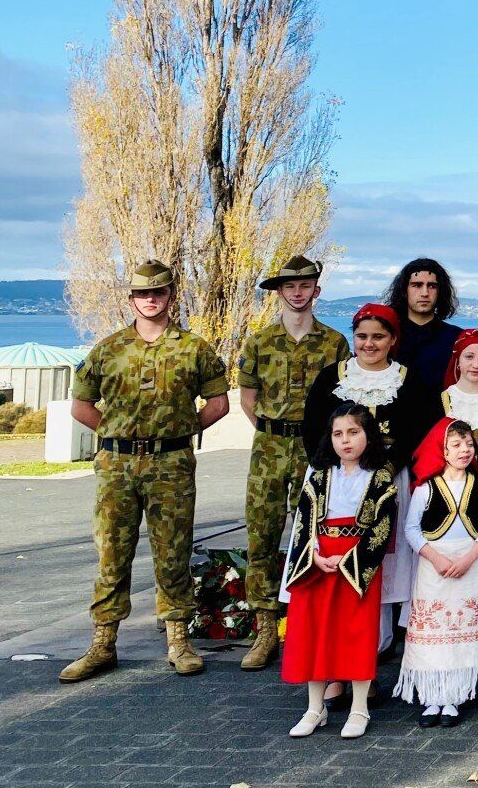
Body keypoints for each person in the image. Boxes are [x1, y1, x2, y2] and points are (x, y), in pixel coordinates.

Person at [60, 259, 230, 683]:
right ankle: (103, 643)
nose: (150, 299)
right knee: (111, 554)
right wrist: (118, 435)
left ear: (171, 296)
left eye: (158, 292)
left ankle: (179, 640)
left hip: (171, 464)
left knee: (173, 552)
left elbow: (218, 404)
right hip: (116, 466)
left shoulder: (194, 348)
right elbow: (81, 405)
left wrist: (177, 433)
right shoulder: (109, 349)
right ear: (131, 299)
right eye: (142, 293)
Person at [304, 303, 442, 647]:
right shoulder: (332, 378)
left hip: (388, 479)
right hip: (337, 480)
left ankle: (374, 643)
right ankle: (335, 643)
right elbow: (313, 429)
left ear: (393, 339)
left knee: (380, 556)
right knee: (335, 553)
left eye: (378, 336)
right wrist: (333, 470)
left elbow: (419, 433)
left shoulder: (410, 381)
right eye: (362, 336)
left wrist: (386, 471)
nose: (369, 343)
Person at [238, 254, 347, 671]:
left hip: (315, 448)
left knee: (317, 534)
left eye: (305, 286)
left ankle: (310, 625)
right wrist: (273, 430)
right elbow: (248, 399)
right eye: (289, 286)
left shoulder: (334, 343)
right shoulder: (259, 342)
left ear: (316, 290)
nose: (297, 293)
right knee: (262, 535)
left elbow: (342, 400)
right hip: (269, 447)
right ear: (279, 292)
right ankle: (266, 629)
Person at [280, 405, 397, 740]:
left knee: (356, 633)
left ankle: (359, 707)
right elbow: (303, 523)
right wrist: (314, 556)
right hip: (318, 563)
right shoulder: (318, 477)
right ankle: (314, 708)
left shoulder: (380, 479)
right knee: (314, 633)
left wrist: (350, 559)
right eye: (338, 434)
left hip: (356, 564)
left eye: (353, 432)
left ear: (368, 436)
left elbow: (381, 528)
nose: (345, 440)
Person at [396, 418, 478, 727]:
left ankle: (454, 695)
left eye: (469, 444)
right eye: (456, 445)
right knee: (435, 632)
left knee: (460, 632)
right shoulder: (426, 487)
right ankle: (432, 696)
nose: (464, 450)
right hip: (434, 568)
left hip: (469, 566)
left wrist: (469, 558)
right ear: (441, 450)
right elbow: (412, 529)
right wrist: (435, 558)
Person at [389, 258, 465, 392]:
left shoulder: (457, 338)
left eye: (432, 286)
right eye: (417, 285)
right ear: (405, 290)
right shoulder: (387, 335)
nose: (425, 293)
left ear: (440, 291)